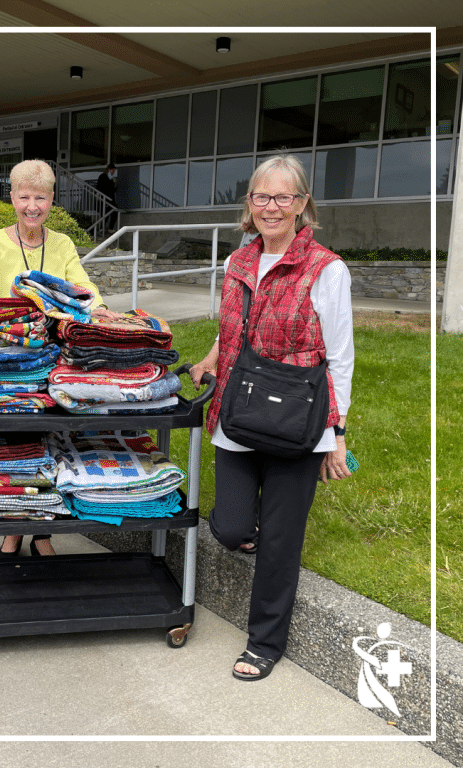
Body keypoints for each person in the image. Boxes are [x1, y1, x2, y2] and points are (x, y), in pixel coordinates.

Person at [189, 154, 354, 681]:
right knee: (230, 526)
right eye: (262, 196)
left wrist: (336, 432)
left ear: (303, 203)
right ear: (250, 204)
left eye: (284, 197)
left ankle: (264, 642)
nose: (271, 207)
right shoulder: (239, 261)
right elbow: (235, 320)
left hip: (296, 418)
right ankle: (252, 525)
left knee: (282, 540)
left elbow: (341, 354)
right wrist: (216, 351)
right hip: (238, 412)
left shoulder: (327, 269)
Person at [0, 158, 118, 558]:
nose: (32, 206)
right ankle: (14, 526)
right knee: (18, 440)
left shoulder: (63, 244)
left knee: (54, 437)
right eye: (24, 197)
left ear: (52, 200)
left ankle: (42, 532)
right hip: (13, 355)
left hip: (57, 353)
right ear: (12, 198)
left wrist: (97, 305)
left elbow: (81, 283)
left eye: (40, 197)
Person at [95, 163, 117, 232]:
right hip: (105, 199)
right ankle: (103, 228)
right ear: (109, 170)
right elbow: (104, 188)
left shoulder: (109, 178)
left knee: (113, 212)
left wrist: (114, 184)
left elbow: (112, 190)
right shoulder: (103, 176)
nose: (113, 172)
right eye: (112, 171)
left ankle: (109, 228)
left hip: (110, 199)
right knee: (105, 214)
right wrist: (112, 182)